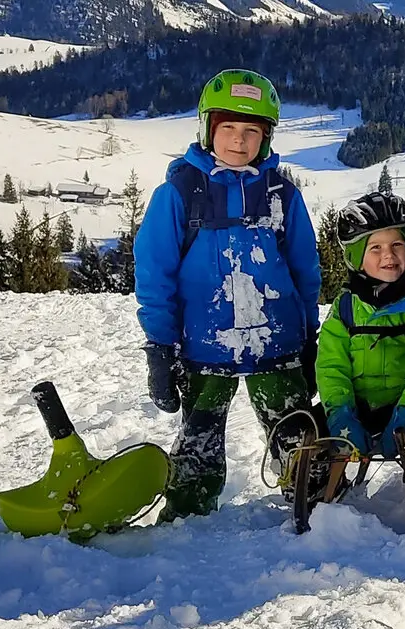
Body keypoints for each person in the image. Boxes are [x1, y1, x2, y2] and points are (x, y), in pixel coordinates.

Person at [135, 69, 322, 521]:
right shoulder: (179, 193)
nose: (239, 142)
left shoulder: (283, 195)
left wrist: (310, 335)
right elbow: (155, 274)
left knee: (295, 432)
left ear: (267, 137)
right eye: (229, 130)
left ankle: (315, 502)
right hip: (205, 343)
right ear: (208, 130)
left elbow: (304, 269)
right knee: (199, 436)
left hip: (276, 342)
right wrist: (160, 346)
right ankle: (187, 514)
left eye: (251, 132)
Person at [316, 193, 405, 493]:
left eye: (397, 245)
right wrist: (339, 411)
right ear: (357, 257)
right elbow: (331, 364)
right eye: (375, 248)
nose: (388, 256)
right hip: (358, 407)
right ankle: (317, 488)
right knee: (300, 434)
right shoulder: (345, 309)